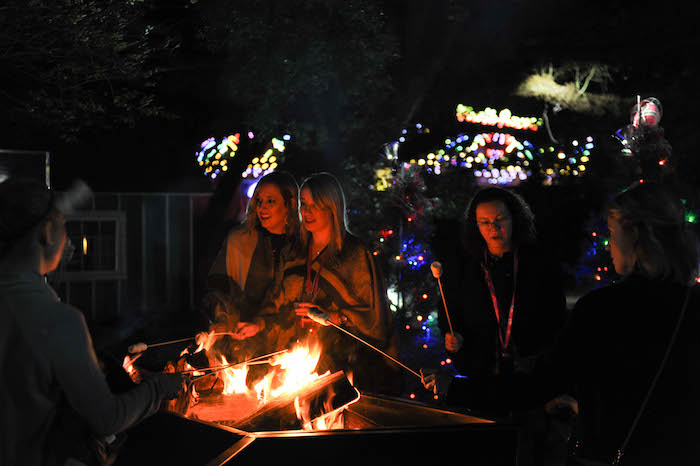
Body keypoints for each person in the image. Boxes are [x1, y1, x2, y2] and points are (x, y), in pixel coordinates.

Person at [428, 181, 700, 465]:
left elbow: (538, 385)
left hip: (610, 452)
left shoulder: (601, 309)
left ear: (635, 237)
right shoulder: (691, 306)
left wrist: (456, 389)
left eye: (611, 233)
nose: (608, 244)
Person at [0, 178, 186, 466]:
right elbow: (108, 418)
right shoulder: (61, 321)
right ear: (47, 232)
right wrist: (159, 388)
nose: (67, 237)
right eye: (63, 225)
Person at [237, 172, 401, 395]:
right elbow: (276, 301)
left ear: (332, 207)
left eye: (315, 205)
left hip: (341, 366)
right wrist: (259, 324)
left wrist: (333, 317)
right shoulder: (293, 251)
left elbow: (374, 316)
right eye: (304, 204)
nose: (307, 212)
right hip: (295, 362)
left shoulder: (354, 253)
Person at [441, 186, 567, 386]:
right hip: (481, 375)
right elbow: (449, 312)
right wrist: (453, 337)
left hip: (533, 375)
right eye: (485, 222)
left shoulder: (538, 263)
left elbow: (556, 317)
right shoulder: (465, 267)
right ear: (476, 225)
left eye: (500, 219)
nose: (494, 227)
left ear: (514, 218)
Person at [203, 171, 301, 339]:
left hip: (290, 342)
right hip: (241, 338)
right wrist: (222, 321)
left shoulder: (303, 245)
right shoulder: (240, 239)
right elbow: (219, 287)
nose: (262, 208)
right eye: (259, 201)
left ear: (289, 204)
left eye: (271, 201)